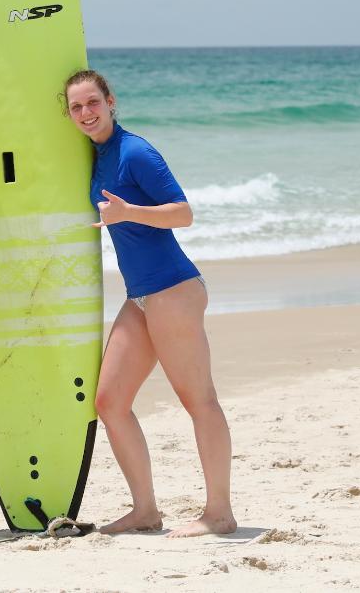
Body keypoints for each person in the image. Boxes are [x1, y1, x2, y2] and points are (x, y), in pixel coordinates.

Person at [62, 69, 236, 538]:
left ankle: (219, 512)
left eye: (92, 102)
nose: (85, 113)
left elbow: (183, 212)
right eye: (76, 107)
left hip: (173, 291)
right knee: (109, 401)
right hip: (139, 296)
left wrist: (127, 212)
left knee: (198, 400)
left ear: (110, 100)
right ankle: (145, 511)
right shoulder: (97, 155)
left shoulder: (135, 151)